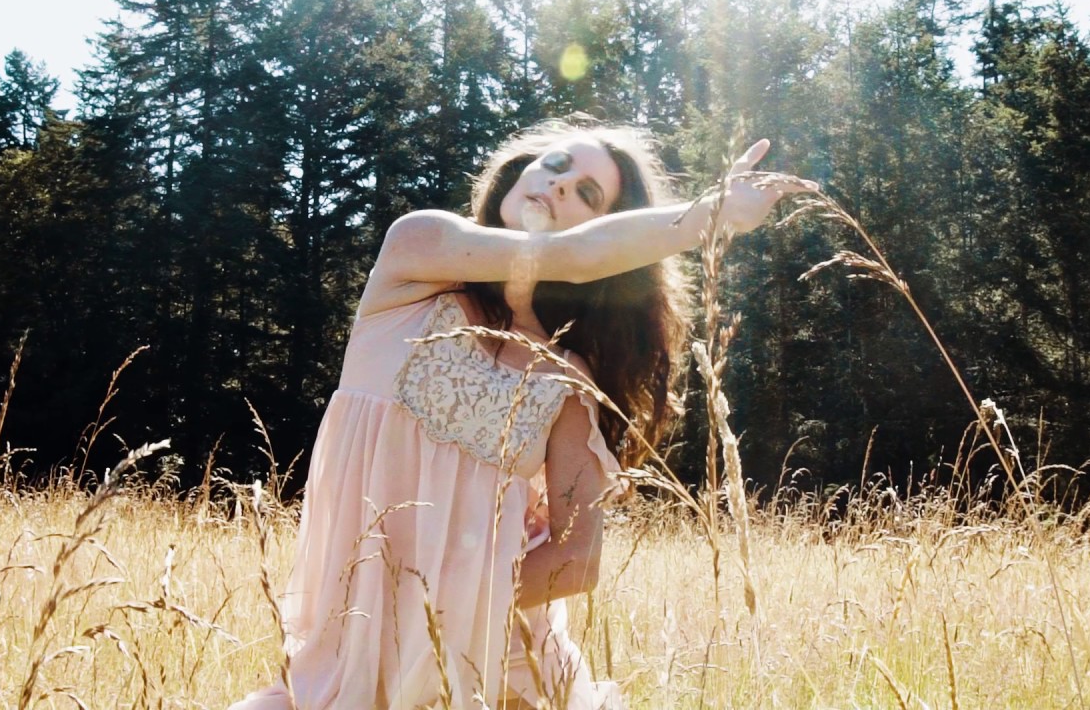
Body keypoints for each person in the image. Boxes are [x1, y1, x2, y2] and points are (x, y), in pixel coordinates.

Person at [229, 118, 816, 709]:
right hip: (346, 650)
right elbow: (570, 257)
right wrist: (711, 213)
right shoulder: (417, 252)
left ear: (609, 230)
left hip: (493, 661)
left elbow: (577, 559)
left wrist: (440, 617)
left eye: (587, 193)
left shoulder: (565, 374)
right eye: (556, 165)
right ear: (522, 170)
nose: (559, 185)